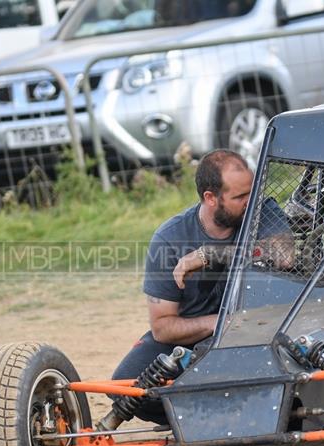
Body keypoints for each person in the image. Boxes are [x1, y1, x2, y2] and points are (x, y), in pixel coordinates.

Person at [112, 149, 292, 425]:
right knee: (125, 387)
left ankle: (260, 416)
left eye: (251, 191)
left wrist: (211, 254)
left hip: (256, 332)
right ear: (210, 198)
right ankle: (204, 423)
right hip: (199, 337)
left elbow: (285, 256)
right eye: (239, 197)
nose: (250, 201)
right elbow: (162, 327)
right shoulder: (170, 239)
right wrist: (220, 322)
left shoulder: (261, 209)